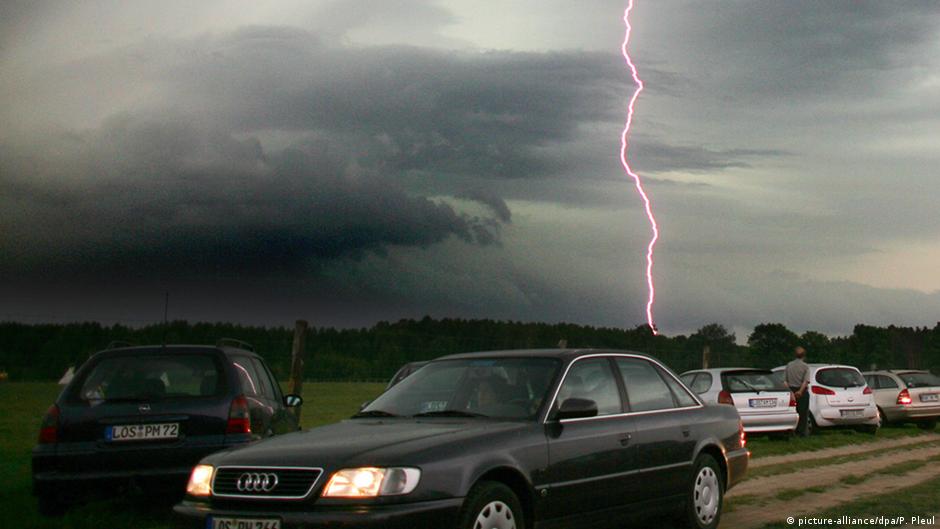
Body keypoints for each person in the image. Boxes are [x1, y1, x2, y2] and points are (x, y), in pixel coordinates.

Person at [785, 346, 811, 436]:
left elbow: (785, 381)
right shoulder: (805, 366)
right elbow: (806, 381)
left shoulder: (789, 365)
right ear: (804, 356)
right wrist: (800, 391)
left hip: (791, 390)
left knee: (792, 412)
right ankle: (802, 432)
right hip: (801, 391)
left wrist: (791, 392)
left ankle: (792, 431)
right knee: (803, 413)